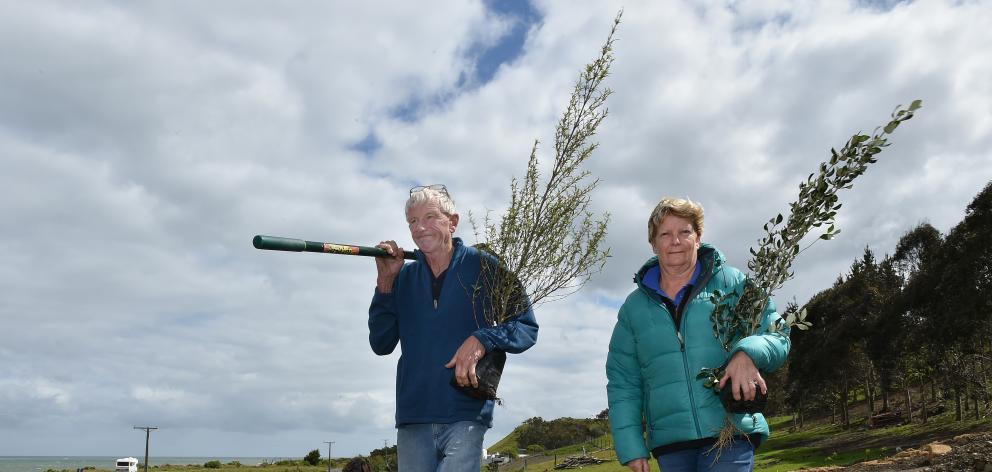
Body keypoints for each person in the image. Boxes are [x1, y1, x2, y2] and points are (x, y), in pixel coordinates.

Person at [605, 197, 791, 472]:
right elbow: (624, 382)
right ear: (654, 244)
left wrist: (747, 351)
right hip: (671, 443)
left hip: (731, 429)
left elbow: (779, 334)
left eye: (684, 232)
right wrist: (631, 446)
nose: (675, 241)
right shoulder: (634, 309)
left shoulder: (733, 283)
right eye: (665, 234)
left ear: (699, 238)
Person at [368, 184, 539, 472]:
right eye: (412, 221)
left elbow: (526, 327)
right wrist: (385, 284)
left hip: (466, 412)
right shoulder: (404, 277)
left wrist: (482, 339)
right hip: (414, 415)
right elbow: (381, 343)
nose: (420, 228)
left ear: (453, 222)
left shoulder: (485, 267)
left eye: (430, 217)